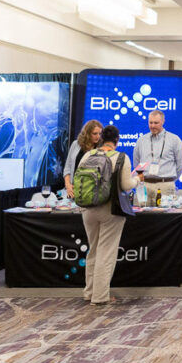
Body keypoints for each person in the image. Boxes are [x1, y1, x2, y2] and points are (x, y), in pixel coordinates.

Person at [77, 124, 137, 305]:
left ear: (102, 138)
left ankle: (89, 292)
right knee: (106, 253)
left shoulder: (88, 155)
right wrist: (138, 179)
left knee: (93, 251)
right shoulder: (121, 157)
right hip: (110, 209)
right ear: (117, 140)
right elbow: (126, 186)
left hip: (87, 209)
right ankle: (101, 296)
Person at [133, 110, 182, 203]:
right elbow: (137, 163)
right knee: (140, 216)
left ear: (163, 122)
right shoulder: (141, 141)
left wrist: (169, 178)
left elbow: (181, 164)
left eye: (156, 123)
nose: (153, 126)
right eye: (150, 122)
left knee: (165, 217)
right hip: (144, 185)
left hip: (165, 185)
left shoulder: (174, 140)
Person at [64, 120, 102, 199]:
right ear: (87, 134)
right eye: (95, 134)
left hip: (92, 194)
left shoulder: (100, 149)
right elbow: (67, 167)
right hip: (74, 192)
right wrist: (68, 185)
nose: (98, 136)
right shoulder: (76, 144)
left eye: (99, 133)